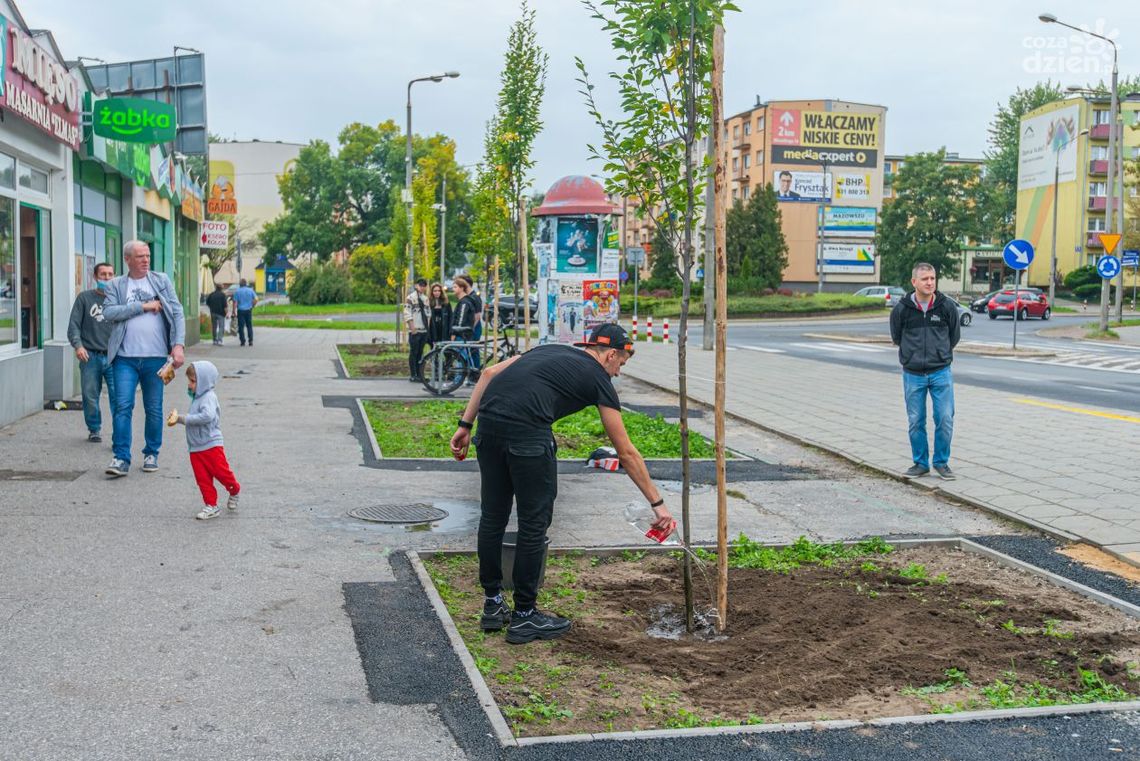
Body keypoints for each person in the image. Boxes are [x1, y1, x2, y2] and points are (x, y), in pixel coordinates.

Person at [449, 323, 675, 645]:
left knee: (493, 517)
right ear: (611, 354)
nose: (618, 373)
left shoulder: (547, 349)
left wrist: (464, 426)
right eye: (620, 365)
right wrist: (657, 504)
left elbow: (487, 374)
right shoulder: (599, 379)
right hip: (527, 438)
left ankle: (492, 604)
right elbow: (625, 451)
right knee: (532, 523)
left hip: (489, 428)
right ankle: (525, 616)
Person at [101, 240, 186, 477]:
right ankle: (120, 458)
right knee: (123, 406)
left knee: (154, 408)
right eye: (140, 256)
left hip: (156, 358)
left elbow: (177, 312)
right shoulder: (116, 285)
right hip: (124, 358)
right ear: (127, 259)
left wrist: (178, 345)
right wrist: (143, 306)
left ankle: (151, 453)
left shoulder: (160, 280)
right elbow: (109, 312)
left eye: (147, 255)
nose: (146, 260)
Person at [889, 262, 961, 481]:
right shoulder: (901, 309)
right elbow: (897, 338)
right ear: (914, 282)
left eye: (932, 278)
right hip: (913, 374)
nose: (930, 282)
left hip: (941, 372)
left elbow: (954, 337)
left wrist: (940, 354)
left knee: (945, 418)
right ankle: (920, 463)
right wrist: (912, 357)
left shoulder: (946, 307)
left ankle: (941, 462)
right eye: (924, 279)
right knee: (916, 420)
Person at [167, 361, 241, 520]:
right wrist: (179, 418)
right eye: (189, 381)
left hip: (211, 445)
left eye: (193, 381)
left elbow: (208, 416)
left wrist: (183, 419)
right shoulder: (197, 397)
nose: (190, 385)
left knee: (221, 473)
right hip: (195, 447)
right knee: (202, 479)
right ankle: (211, 505)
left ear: (204, 382)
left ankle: (234, 489)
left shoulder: (208, 397)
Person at [67, 262, 117, 443]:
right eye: (103, 275)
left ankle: (119, 434)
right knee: (90, 395)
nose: (107, 278)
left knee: (118, 398)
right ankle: (94, 428)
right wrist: (78, 346)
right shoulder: (84, 298)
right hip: (90, 356)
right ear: (95, 277)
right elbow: (73, 326)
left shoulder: (119, 300)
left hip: (114, 357)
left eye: (110, 274)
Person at [451, 278, 479, 381]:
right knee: (465, 357)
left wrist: (454, 332)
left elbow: (461, 320)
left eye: (455, 287)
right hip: (465, 334)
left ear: (462, 288)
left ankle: (457, 381)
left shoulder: (464, 303)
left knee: (460, 358)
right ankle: (471, 378)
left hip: (462, 334)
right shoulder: (465, 301)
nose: (453, 289)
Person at [403, 278, 430, 382]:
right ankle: (413, 374)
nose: (422, 287)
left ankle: (420, 374)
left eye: (424, 285)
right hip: (415, 329)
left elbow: (428, 314)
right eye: (420, 285)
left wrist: (428, 328)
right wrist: (412, 328)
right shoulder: (410, 298)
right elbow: (407, 313)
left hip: (423, 330)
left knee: (421, 352)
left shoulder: (425, 299)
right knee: (414, 352)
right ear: (416, 285)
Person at [460, 274, 484, 378]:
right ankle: (471, 373)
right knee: (470, 350)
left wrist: (470, 329)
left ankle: (475, 375)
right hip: (470, 328)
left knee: (474, 351)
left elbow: (477, 316)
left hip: (474, 328)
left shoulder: (475, 297)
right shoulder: (467, 297)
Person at [233, 279, 258, 346]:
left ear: (240, 284)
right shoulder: (250, 290)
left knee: (241, 326)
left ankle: (242, 341)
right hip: (248, 310)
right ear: (246, 284)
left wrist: (234, 311)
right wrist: (253, 305)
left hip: (240, 310)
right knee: (249, 325)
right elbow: (256, 299)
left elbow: (235, 302)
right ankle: (250, 341)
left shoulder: (237, 291)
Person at [428, 282, 452, 346]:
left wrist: (450, 331)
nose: (437, 292)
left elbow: (450, 318)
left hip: (444, 330)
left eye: (439, 291)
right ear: (432, 292)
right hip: (433, 330)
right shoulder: (428, 303)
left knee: (445, 351)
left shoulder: (446, 303)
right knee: (434, 350)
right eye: (435, 291)